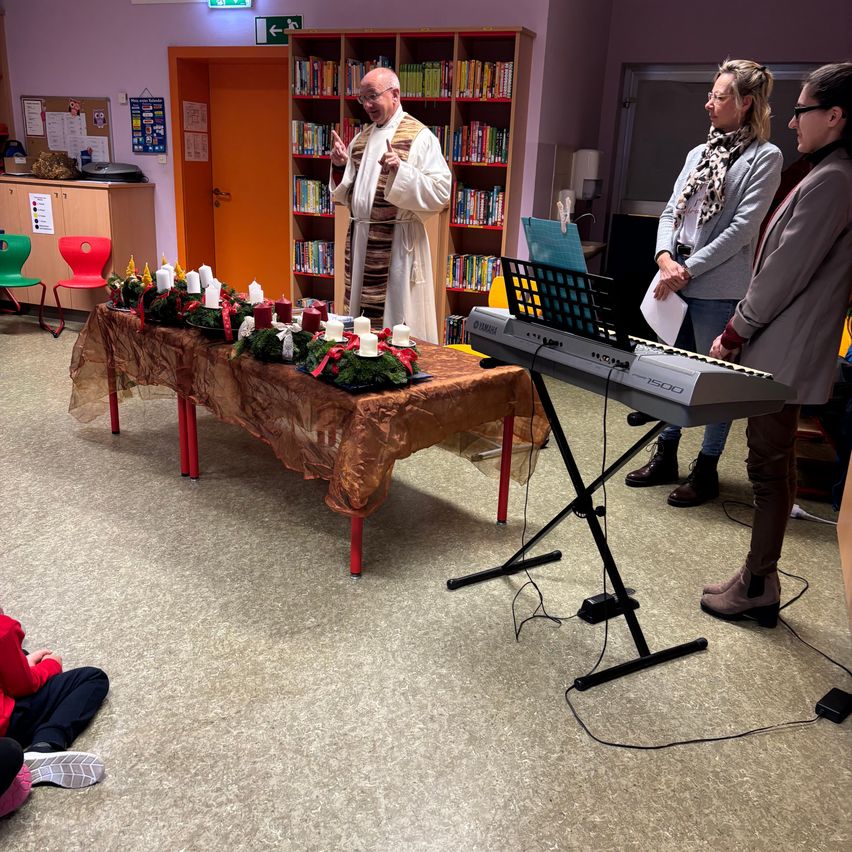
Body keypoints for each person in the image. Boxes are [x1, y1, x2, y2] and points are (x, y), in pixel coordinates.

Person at [701, 62, 852, 626]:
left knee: (767, 465)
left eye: (802, 111)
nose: (792, 122)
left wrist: (737, 328)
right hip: (782, 339)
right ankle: (756, 573)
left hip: (781, 343)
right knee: (772, 460)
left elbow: (783, 271)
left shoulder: (835, 178)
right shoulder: (828, 171)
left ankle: (759, 583)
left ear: (835, 116)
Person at [625, 60, 783, 507]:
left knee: (713, 381)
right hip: (672, 279)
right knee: (672, 372)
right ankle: (667, 454)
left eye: (719, 95)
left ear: (745, 102)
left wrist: (687, 270)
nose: (708, 102)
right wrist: (664, 260)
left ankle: (707, 468)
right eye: (711, 94)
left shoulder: (764, 157)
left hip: (716, 284)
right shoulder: (699, 153)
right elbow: (671, 212)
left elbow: (742, 230)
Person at [329, 67, 452, 344]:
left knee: (396, 320)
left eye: (373, 96)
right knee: (362, 319)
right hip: (362, 240)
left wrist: (402, 171)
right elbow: (349, 194)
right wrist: (340, 166)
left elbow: (442, 192)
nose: (368, 105)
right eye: (363, 99)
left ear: (395, 94)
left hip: (398, 243)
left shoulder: (420, 137)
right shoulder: (361, 139)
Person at [0, 605, 108, 788]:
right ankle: (45, 743)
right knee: (92, 678)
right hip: (7, 723)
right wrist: (50, 666)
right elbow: (24, 687)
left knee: (23, 655)